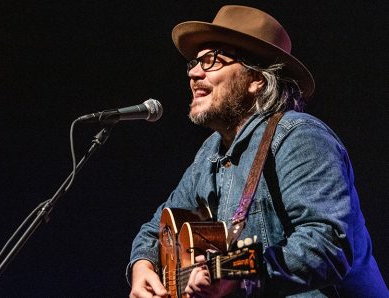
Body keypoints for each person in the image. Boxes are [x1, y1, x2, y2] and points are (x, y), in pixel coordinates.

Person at [127, 5, 387, 298]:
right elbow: (156, 228)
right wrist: (143, 266)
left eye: (212, 61)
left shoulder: (300, 136)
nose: (195, 73)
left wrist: (236, 273)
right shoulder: (210, 152)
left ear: (256, 79)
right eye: (194, 63)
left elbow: (327, 244)